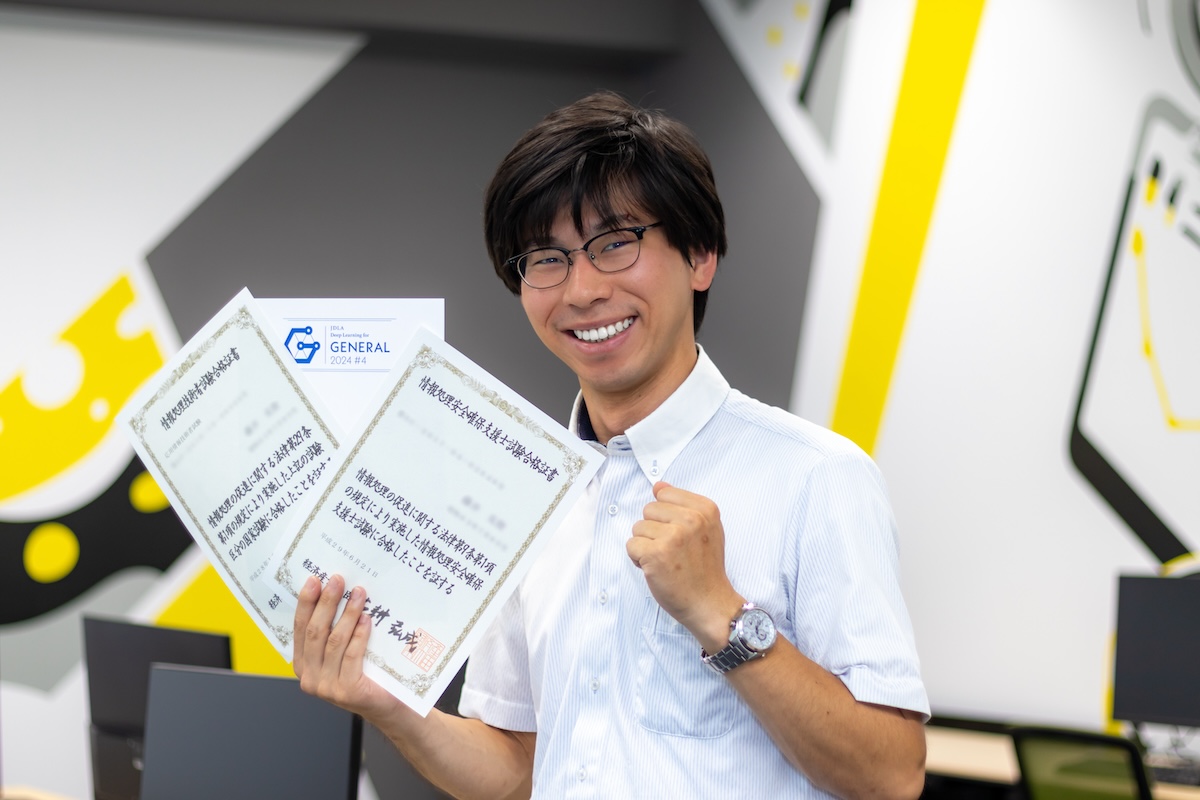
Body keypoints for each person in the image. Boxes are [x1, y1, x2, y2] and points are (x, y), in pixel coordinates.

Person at [293, 90, 930, 799]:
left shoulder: (817, 477)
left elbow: (891, 773)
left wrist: (722, 614)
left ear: (700, 255)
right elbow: (519, 769)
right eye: (546, 258)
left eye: (616, 243)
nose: (582, 290)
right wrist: (387, 703)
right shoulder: (529, 493)